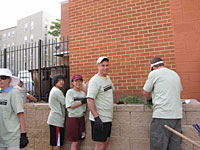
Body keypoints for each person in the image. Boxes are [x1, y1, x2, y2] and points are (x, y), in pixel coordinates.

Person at [143, 57, 183, 150]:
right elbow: (179, 90)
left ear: (153, 67)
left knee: (158, 146)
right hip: (177, 116)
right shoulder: (175, 74)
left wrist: (149, 100)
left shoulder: (154, 73)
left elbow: (145, 91)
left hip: (162, 116)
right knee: (174, 147)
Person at [87, 56, 124, 150]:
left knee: (106, 141)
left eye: (107, 65)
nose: (105, 67)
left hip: (107, 117)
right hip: (99, 118)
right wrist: (96, 118)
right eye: (102, 65)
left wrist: (117, 101)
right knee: (100, 145)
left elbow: (112, 91)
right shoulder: (95, 81)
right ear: (98, 66)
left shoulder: (107, 78)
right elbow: (90, 99)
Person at [0, 68, 29, 150]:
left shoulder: (14, 93)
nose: (0, 80)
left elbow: (20, 114)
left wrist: (23, 134)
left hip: (13, 138)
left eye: (3, 77)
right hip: (2, 138)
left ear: (9, 79)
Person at [65, 74, 87, 150]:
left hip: (81, 118)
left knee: (79, 141)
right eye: (76, 81)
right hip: (73, 119)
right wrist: (81, 102)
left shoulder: (83, 93)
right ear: (73, 82)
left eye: (80, 81)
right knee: (75, 141)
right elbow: (70, 105)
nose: (78, 83)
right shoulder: (70, 92)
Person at [47, 74, 65, 150]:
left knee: (54, 142)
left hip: (53, 119)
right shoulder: (57, 91)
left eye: (62, 80)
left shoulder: (54, 90)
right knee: (57, 143)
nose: (61, 82)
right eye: (59, 80)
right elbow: (66, 103)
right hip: (57, 120)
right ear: (55, 82)